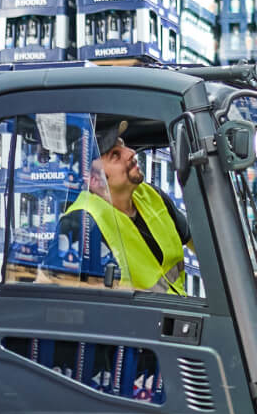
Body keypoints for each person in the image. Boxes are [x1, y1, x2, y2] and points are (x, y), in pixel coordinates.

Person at [62, 119, 191, 293]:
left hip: (179, 314)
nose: (130, 152)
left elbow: (201, 244)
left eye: (124, 145)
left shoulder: (152, 195)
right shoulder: (80, 223)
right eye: (115, 155)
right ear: (94, 180)